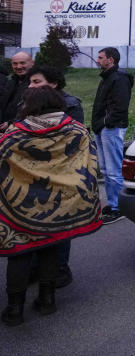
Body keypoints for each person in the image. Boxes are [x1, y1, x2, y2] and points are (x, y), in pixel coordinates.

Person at [1, 87, 101, 326]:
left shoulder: (14, 135)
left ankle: (14, 310)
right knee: (51, 248)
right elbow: (90, 161)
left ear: (29, 105)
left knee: (19, 253)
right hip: (61, 204)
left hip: (21, 207)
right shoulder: (76, 130)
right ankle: (47, 301)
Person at [25, 64, 84, 288]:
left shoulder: (71, 105)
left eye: (36, 82)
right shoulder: (28, 103)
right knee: (32, 225)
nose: (31, 86)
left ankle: (59, 269)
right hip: (32, 178)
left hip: (60, 178)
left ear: (53, 84)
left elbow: (75, 144)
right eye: (30, 82)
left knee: (59, 225)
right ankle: (34, 268)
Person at [91, 47, 134, 225]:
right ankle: (112, 203)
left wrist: (104, 123)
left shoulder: (119, 79)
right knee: (106, 169)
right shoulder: (107, 78)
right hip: (102, 129)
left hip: (112, 129)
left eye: (101, 57)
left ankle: (120, 208)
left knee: (114, 170)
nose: (97, 60)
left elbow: (120, 108)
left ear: (111, 60)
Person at [1, 52, 34, 130]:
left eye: (22, 63)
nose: (18, 67)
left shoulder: (35, 83)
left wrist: (11, 123)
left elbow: (34, 110)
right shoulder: (11, 81)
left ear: (32, 63)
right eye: (15, 64)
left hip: (21, 129)